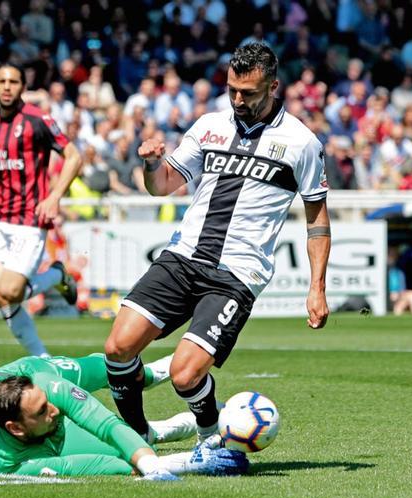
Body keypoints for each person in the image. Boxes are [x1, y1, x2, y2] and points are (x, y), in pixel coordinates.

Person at [103, 43, 331, 443]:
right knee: (118, 348)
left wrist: (317, 288)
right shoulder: (209, 125)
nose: (238, 100)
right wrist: (152, 164)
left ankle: (210, 437)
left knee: (186, 374)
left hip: (236, 273)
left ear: (273, 86)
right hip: (183, 256)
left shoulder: (302, 143)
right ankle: (138, 436)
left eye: (249, 93)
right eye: (232, 91)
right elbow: (163, 186)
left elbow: (317, 217)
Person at [0, 62, 82, 358]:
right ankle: (42, 359)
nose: (7, 87)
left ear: (23, 87)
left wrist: (55, 196)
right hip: (0, 221)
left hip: (30, 220)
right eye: (2, 81)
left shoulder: (39, 120)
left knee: (10, 291)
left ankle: (57, 275)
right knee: (1, 296)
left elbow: (74, 157)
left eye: (13, 82)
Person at [0, 353, 248, 479]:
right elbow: (99, 464)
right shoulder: (7, 466)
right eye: (42, 412)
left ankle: (157, 370)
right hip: (31, 440)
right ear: (16, 429)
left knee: (119, 372)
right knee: (130, 451)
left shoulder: (44, 385)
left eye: (49, 403)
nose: (54, 409)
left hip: (22, 372)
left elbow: (103, 421)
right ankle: (160, 430)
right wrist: (185, 463)